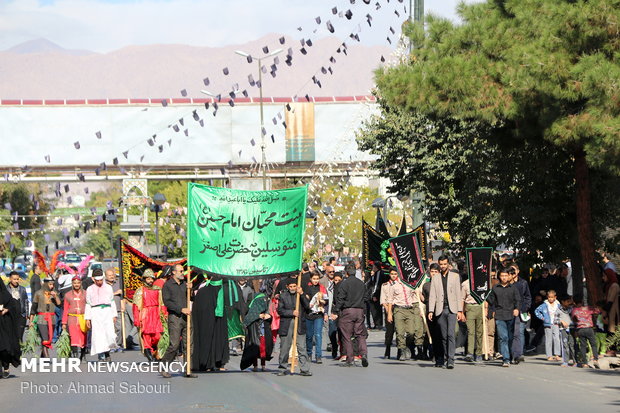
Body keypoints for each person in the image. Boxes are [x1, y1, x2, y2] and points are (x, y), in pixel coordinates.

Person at [428, 256, 463, 369]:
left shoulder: (455, 276)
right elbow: (433, 295)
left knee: (450, 334)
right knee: (443, 336)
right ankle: (445, 357)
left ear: (448, 264)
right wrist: (430, 310)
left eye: (444, 264)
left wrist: (460, 310)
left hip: (452, 309)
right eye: (441, 264)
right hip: (440, 310)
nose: (443, 266)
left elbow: (459, 294)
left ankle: (451, 359)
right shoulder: (435, 278)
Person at [160, 264, 195, 378]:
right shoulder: (168, 285)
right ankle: (164, 366)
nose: (183, 273)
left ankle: (187, 369)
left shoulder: (185, 284)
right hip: (175, 318)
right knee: (174, 345)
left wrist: (191, 290)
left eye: (183, 271)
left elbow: (192, 298)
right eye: (180, 271)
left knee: (188, 345)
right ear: (174, 272)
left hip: (187, 318)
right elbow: (167, 302)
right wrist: (180, 309)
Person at [332, 264, 368, 368]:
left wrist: (335, 311)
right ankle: (364, 353)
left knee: (346, 336)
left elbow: (340, 299)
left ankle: (350, 359)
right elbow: (366, 297)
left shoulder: (345, 283)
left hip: (348, 311)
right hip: (359, 311)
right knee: (360, 334)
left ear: (346, 273)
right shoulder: (361, 283)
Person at [384, 267, 424, 361]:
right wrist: (389, 314)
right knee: (400, 332)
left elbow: (420, 298)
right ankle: (401, 350)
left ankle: (406, 345)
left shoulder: (411, 284)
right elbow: (389, 300)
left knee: (411, 332)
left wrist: (417, 292)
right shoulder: (393, 286)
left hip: (409, 310)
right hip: (399, 310)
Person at [192, 275, 230, 372]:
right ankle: (215, 363)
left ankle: (210, 363)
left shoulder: (203, 291)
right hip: (214, 321)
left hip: (208, 323)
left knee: (209, 339)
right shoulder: (222, 291)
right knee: (215, 339)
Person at [277, 277, 312, 376]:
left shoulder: (300, 295)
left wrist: (301, 294)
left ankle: (304, 369)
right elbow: (280, 310)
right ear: (287, 287)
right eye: (291, 286)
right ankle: (283, 368)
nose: (293, 288)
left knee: (301, 347)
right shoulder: (283, 296)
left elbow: (307, 306)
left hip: (300, 323)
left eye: (294, 286)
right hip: (287, 324)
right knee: (285, 347)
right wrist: (291, 312)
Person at [487, 267, 521, 367]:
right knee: (503, 337)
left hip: (510, 315)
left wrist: (517, 309)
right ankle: (505, 359)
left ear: (509, 276)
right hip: (499, 315)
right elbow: (491, 301)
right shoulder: (495, 288)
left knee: (510, 337)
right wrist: (484, 294)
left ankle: (510, 356)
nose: (504, 278)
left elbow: (518, 300)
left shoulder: (513, 288)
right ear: (499, 277)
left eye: (506, 276)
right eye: (502, 276)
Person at [133, 269, 166, 361]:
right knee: (146, 335)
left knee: (158, 335)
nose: (150, 281)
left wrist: (164, 314)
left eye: (151, 279)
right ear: (144, 279)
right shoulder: (140, 291)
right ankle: (149, 353)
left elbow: (162, 303)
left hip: (156, 314)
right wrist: (136, 319)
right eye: (148, 279)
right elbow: (136, 306)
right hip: (146, 314)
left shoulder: (158, 290)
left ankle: (156, 351)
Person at [85, 268, 117, 361]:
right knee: (98, 334)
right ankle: (101, 353)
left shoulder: (108, 288)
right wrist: (88, 318)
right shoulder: (90, 289)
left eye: (101, 280)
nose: (99, 282)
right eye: (97, 280)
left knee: (109, 333)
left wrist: (114, 314)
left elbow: (112, 301)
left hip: (107, 311)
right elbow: (88, 304)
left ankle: (107, 352)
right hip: (95, 311)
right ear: (93, 279)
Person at [240, 288, 273, 372]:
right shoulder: (252, 310)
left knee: (263, 348)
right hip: (255, 331)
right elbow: (249, 318)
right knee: (254, 348)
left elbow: (271, 314)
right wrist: (258, 316)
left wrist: (268, 316)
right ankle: (255, 365)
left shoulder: (267, 304)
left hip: (263, 331)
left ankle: (263, 365)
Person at [30, 276, 61, 357]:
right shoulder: (38, 293)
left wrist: (55, 296)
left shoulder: (54, 293)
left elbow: (59, 304)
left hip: (52, 319)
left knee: (48, 339)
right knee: (45, 339)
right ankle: (47, 358)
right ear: (45, 284)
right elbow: (33, 308)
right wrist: (31, 321)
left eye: (53, 284)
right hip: (41, 318)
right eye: (50, 284)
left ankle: (42, 356)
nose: (51, 286)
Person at [0, 274, 22, 378]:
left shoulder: (5, 295)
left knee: (5, 348)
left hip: (4, 325)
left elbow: (12, 306)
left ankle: (6, 366)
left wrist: (6, 310)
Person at [61, 275, 87, 361]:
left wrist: (89, 319)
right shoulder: (68, 295)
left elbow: (89, 306)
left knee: (83, 337)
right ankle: (75, 354)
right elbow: (65, 309)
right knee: (73, 337)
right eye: (74, 283)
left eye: (78, 283)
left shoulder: (86, 293)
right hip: (72, 318)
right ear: (72, 284)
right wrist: (64, 322)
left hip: (83, 318)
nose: (76, 285)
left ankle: (82, 354)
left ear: (81, 283)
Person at [509, 264, 531, 364]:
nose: (513, 273)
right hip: (509, 311)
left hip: (522, 311)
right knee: (511, 332)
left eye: (514, 271)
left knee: (520, 331)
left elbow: (527, 296)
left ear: (518, 271)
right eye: (511, 271)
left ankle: (519, 353)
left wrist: (526, 308)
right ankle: (510, 352)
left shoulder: (523, 283)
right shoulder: (507, 283)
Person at [304, 272, 327, 364]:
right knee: (309, 336)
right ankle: (309, 353)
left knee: (318, 335)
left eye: (317, 279)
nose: (316, 280)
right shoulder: (307, 288)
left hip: (319, 315)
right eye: (314, 279)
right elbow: (304, 300)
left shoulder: (322, 288)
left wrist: (323, 305)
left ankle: (318, 355)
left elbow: (326, 301)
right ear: (311, 279)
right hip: (309, 314)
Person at [571, 299, 601, 368]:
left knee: (583, 346)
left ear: (575, 303)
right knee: (593, 344)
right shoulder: (589, 308)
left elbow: (574, 319)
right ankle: (595, 359)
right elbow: (598, 311)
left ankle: (585, 363)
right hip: (589, 328)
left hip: (580, 329)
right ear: (582, 302)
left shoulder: (574, 310)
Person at [534, 290, 562, 361]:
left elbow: (562, 312)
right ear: (547, 297)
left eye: (552, 297)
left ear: (555, 297)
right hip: (547, 324)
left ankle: (557, 354)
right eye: (549, 297)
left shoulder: (558, 305)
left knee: (557, 339)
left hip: (556, 323)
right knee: (548, 339)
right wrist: (543, 318)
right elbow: (536, 311)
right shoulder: (544, 305)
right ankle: (549, 355)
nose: (550, 299)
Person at [461, 277, 484, 362]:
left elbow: (486, 296)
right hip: (470, 307)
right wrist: (461, 312)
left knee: (480, 332)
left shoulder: (482, 282)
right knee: (471, 331)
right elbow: (462, 299)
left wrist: (486, 309)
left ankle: (478, 353)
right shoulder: (465, 284)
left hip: (480, 306)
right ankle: (470, 353)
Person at [105, 268, 125, 351]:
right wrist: (115, 293)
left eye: (113, 275)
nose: (111, 277)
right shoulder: (103, 285)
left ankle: (118, 344)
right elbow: (104, 297)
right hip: (107, 310)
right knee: (110, 329)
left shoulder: (119, 284)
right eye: (109, 275)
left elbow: (123, 296)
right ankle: (111, 345)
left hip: (118, 309)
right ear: (105, 276)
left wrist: (123, 305)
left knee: (119, 328)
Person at [6, 271, 28, 341]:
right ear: (10, 279)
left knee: (19, 337)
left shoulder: (22, 289)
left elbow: (26, 301)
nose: (16, 281)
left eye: (17, 279)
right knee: (10, 337)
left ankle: (19, 351)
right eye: (14, 279)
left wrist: (26, 314)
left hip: (21, 316)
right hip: (9, 316)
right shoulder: (5, 289)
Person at [602, 268, 619, 333]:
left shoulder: (614, 286)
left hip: (614, 313)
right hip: (610, 313)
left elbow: (610, 301)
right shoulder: (609, 286)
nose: (603, 278)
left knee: (613, 331)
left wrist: (604, 313)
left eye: (604, 276)